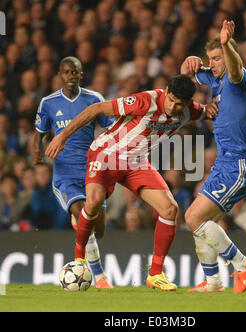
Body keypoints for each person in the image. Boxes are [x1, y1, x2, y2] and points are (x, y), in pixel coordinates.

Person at [45, 74, 218, 291]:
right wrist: (62, 137)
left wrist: (212, 107)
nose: (173, 107)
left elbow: (206, 110)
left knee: (170, 209)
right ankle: (79, 259)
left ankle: (155, 274)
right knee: (94, 202)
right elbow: (95, 109)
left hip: (136, 164)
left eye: (179, 104)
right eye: (171, 99)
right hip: (106, 155)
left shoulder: (189, 110)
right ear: (166, 90)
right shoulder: (145, 101)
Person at [181, 20, 246, 293]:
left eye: (217, 58)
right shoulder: (215, 78)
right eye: (210, 59)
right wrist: (189, 63)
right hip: (224, 163)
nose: (213, 63)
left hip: (238, 164)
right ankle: (213, 280)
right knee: (198, 218)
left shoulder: (239, 80)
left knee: (194, 218)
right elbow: (187, 76)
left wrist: (226, 44)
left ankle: (242, 264)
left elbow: (235, 67)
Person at [32, 56, 114, 289]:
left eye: (74, 72)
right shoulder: (48, 103)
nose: (70, 77)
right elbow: (39, 132)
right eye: (66, 72)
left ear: (81, 74)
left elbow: (111, 127)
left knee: (99, 229)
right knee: (84, 216)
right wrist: (36, 153)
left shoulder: (94, 99)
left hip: (92, 172)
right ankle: (100, 277)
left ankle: (79, 220)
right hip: (64, 175)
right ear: (60, 75)